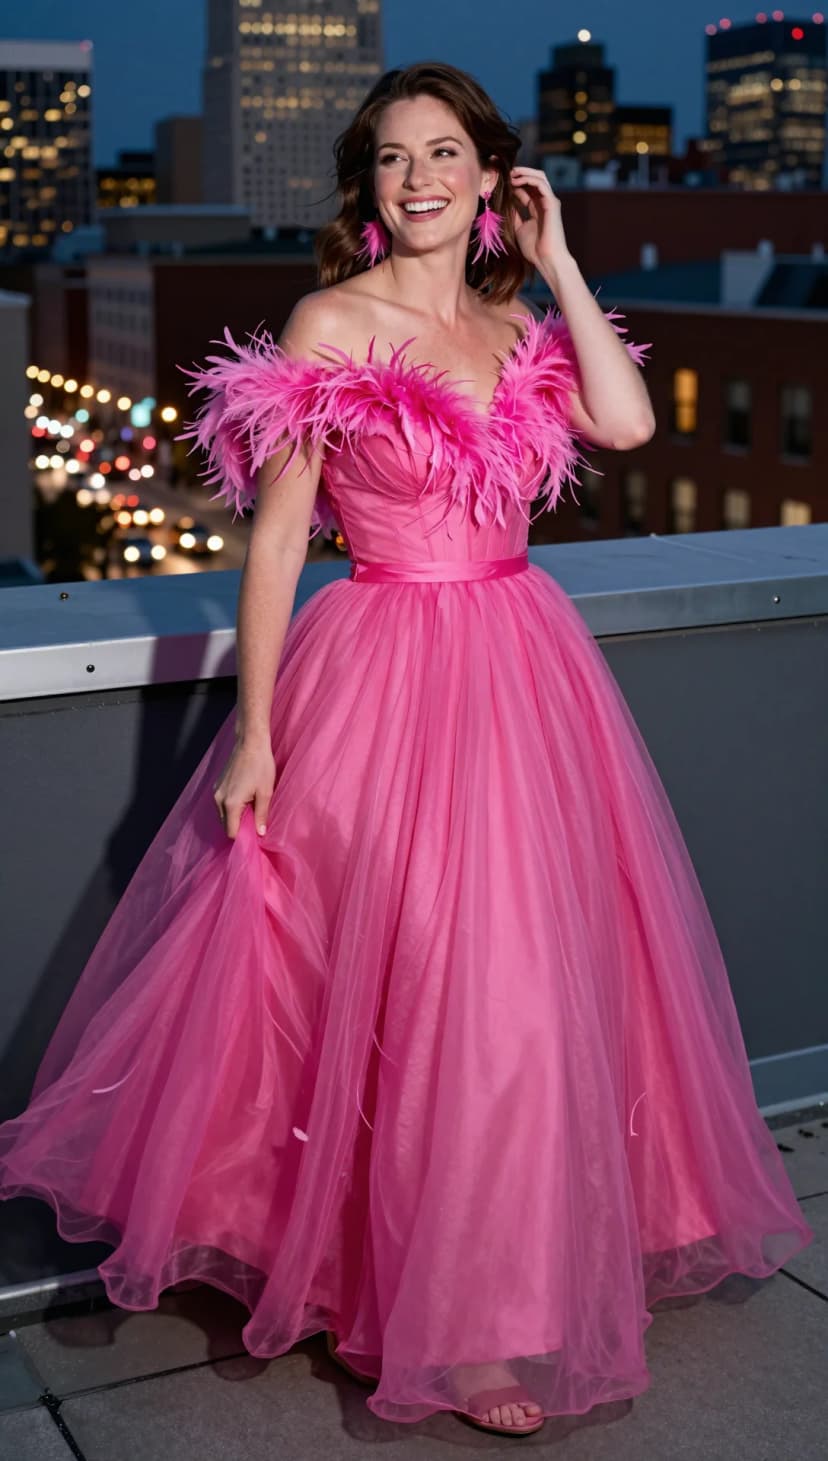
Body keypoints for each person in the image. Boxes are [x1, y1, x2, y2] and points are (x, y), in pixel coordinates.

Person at [0, 62, 813, 1440]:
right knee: (422, 983)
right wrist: (255, 733)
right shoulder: (329, 319)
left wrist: (558, 264)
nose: (417, 177)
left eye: (445, 153)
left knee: (533, 985)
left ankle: (499, 1293)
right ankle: (428, 1298)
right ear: (366, 185)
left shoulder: (513, 321)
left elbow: (623, 422)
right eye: (390, 158)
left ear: (492, 177)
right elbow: (273, 543)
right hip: (379, 672)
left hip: (524, 668)